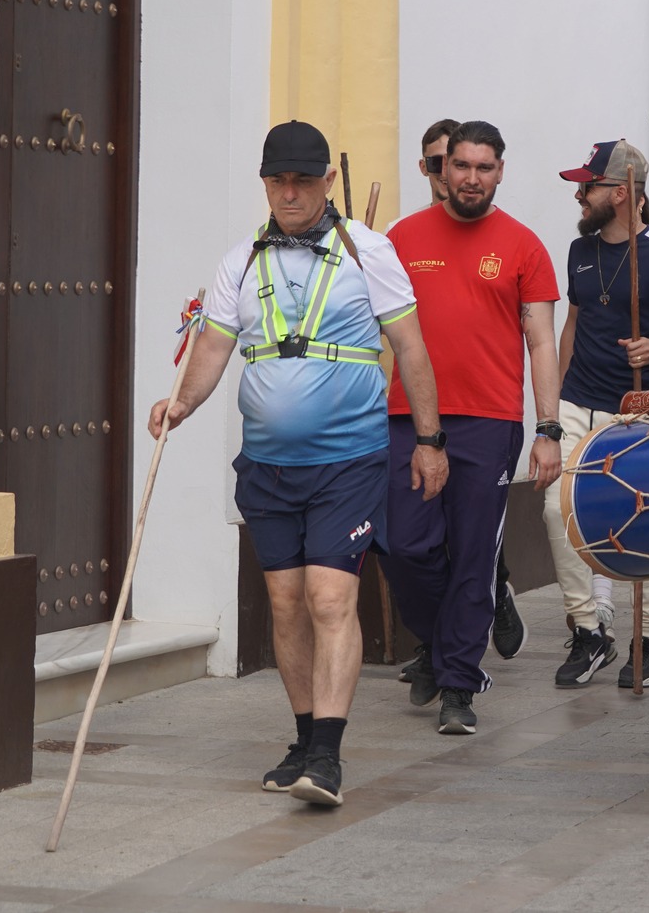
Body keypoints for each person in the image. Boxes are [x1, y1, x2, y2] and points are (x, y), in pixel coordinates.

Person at [148, 121, 446, 805]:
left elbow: (411, 348)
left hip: (349, 461)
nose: (289, 192)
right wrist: (181, 404)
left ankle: (328, 757)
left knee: (329, 598)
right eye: (277, 180)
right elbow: (213, 349)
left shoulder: (369, 251)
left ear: (327, 182)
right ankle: (306, 737)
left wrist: (430, 442)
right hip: (268, 466)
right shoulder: (240, 262)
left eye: (303, 180)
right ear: (264, 183)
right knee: (285, 604)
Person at [378, 122, 560, 734]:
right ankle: (439, 643)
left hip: (490, 421)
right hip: (407, 417)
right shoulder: (402, 238)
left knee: (474, 554)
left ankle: (458, 681)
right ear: (442, 169)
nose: (472, 178)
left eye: (485, 167)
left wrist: (549, 428)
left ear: (500, 171)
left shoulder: (523, 245)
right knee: (404, 545)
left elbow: (541, 342)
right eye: (461, 166)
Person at [549, 140, 649, 691]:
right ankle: (588, 630)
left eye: (587, 186)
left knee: (644, 515)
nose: (578, 195)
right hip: (576, 401)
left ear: (620, 192)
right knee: (557, 511)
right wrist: (553, 404)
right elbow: (572, 323)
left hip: (640, 409)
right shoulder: (579, 249)